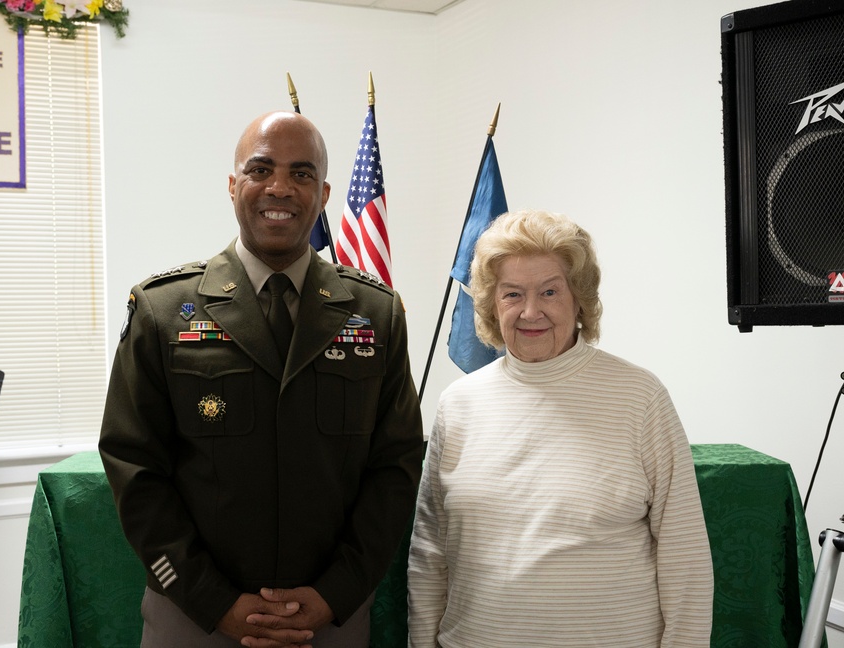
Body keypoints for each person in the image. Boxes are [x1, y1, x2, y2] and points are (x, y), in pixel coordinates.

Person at [99, 110, 423, 648]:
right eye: (261, 169)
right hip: (195, 618)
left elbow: (395, 467)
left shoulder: (375, 312)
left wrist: (334, 595)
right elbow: (134, 467)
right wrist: (211, 600)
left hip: (327, 621)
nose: (280, 187)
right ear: (233, 186)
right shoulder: (162, 311)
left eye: (300, 174)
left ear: (322, 194)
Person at [407, 209, 713, 647]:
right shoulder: (458, 404)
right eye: (512, 294)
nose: (531, 311)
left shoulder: (640, 397)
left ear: (579, 300)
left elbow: (684, 554)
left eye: (549, 292)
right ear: (493, 303)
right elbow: (429, 553)